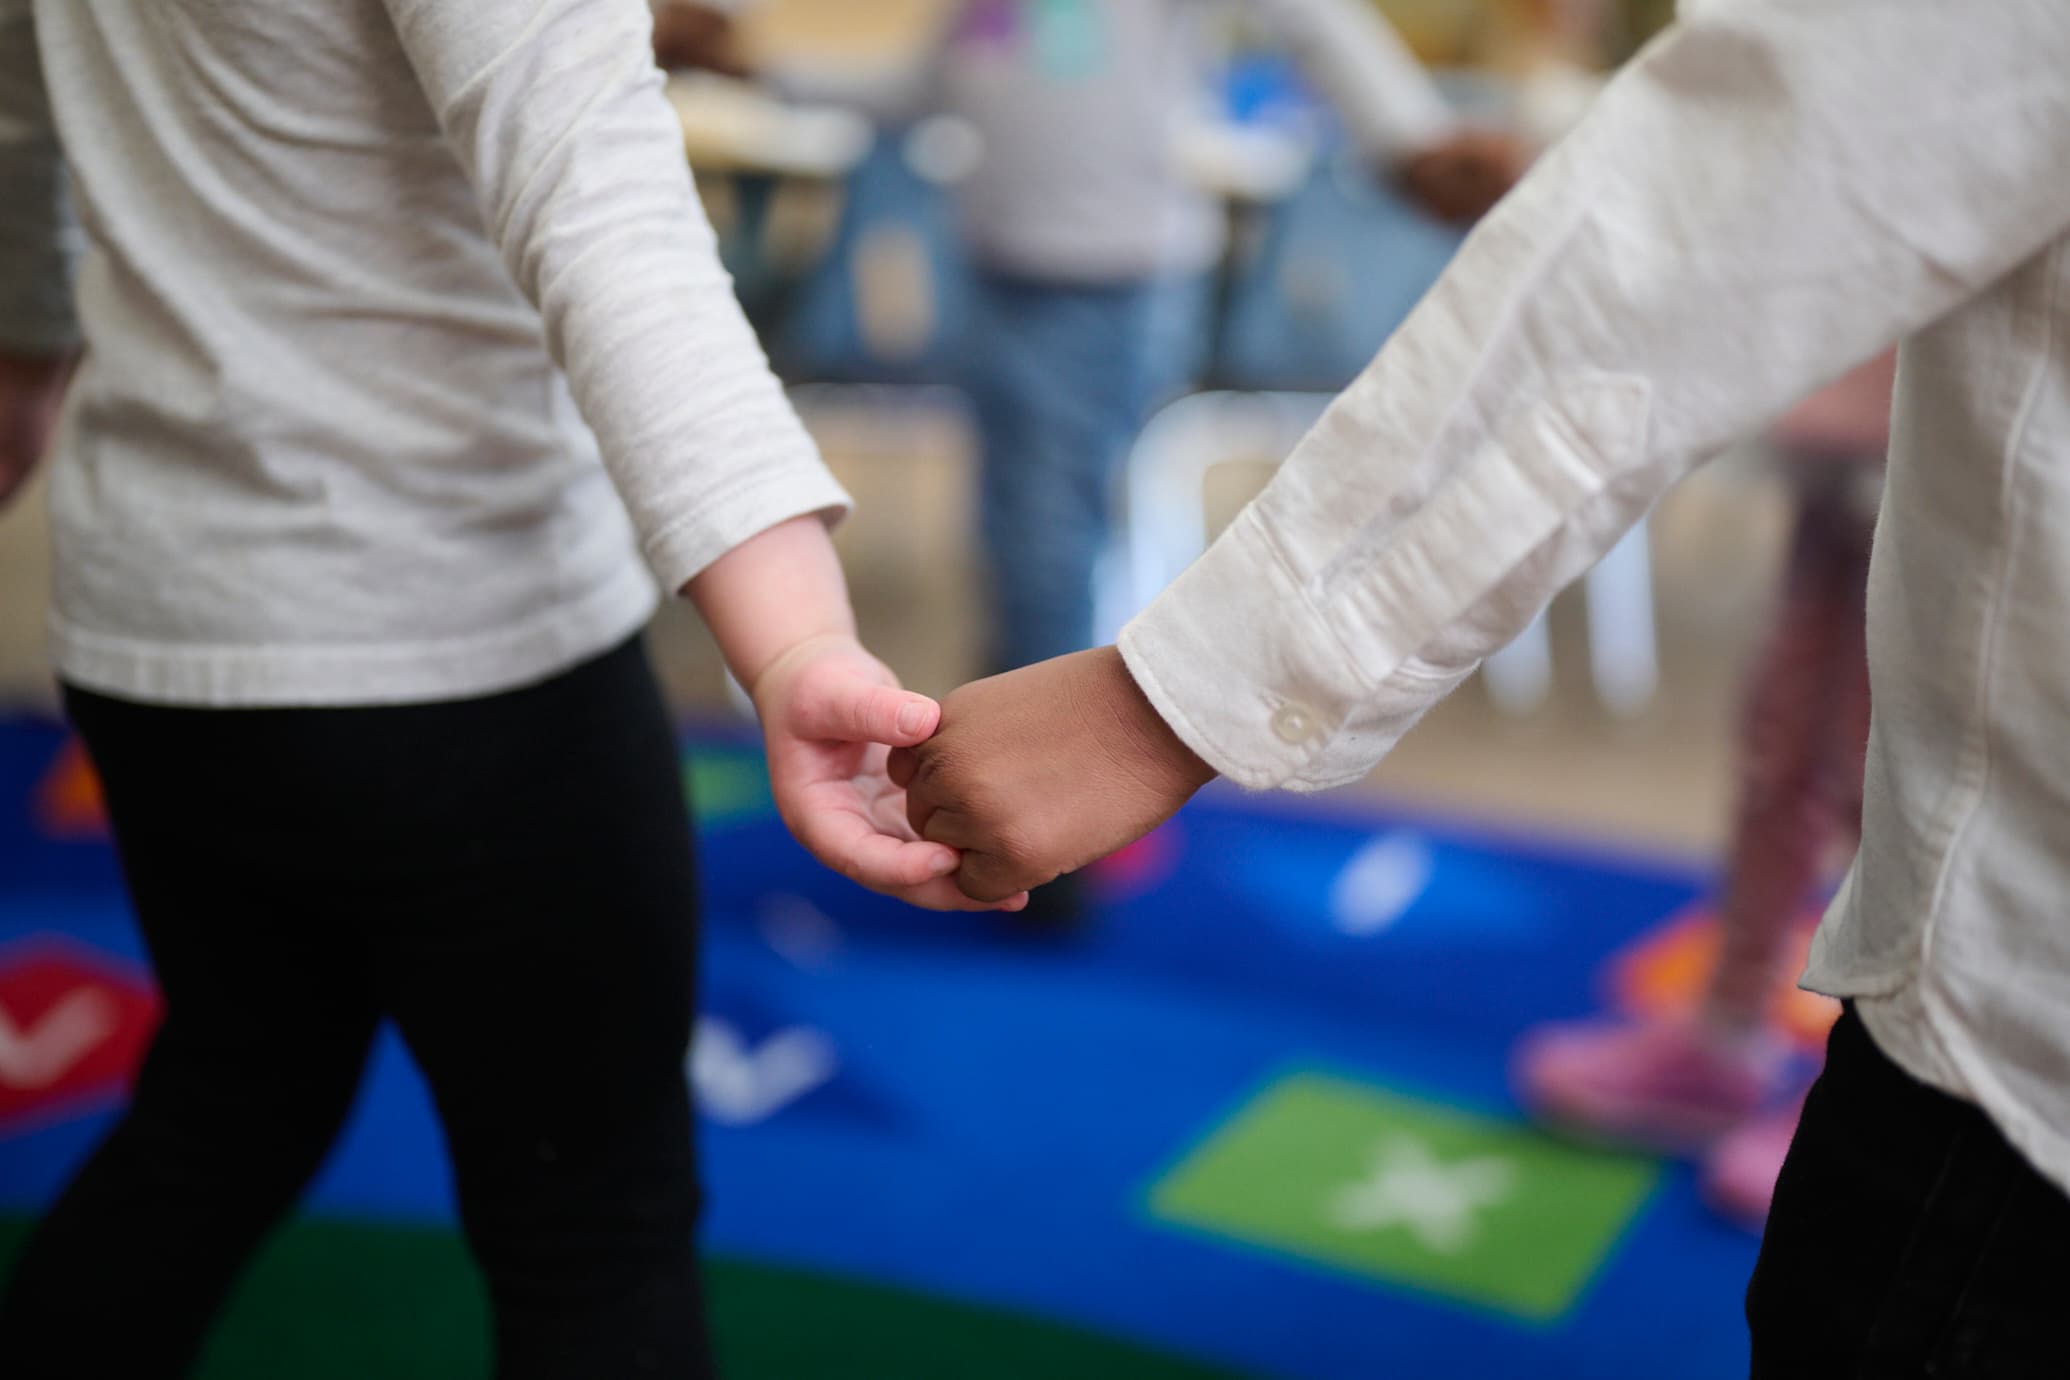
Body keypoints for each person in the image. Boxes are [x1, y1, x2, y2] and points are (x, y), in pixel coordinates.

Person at [891, 1, 2070, 1369]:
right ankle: (1733, 1014)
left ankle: (1748, 1020)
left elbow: (1706, 208)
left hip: (2016, 1072)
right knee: (1799, 742)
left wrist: (1166, 699)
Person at [0, 2, 1014, 1377]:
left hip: (159, 624)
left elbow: (41, 90)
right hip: (459, 647)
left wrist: (21, 352)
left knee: (228, 1102)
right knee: (594, 1230)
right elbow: (602, 207)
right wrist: (790, 640)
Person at [1516, 352, 1893, 1227]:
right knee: (1782, 738)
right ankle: (1725, 1036)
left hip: (1945, 442)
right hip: (1849, 413)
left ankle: (1879, 1083)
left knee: (1884, 776)